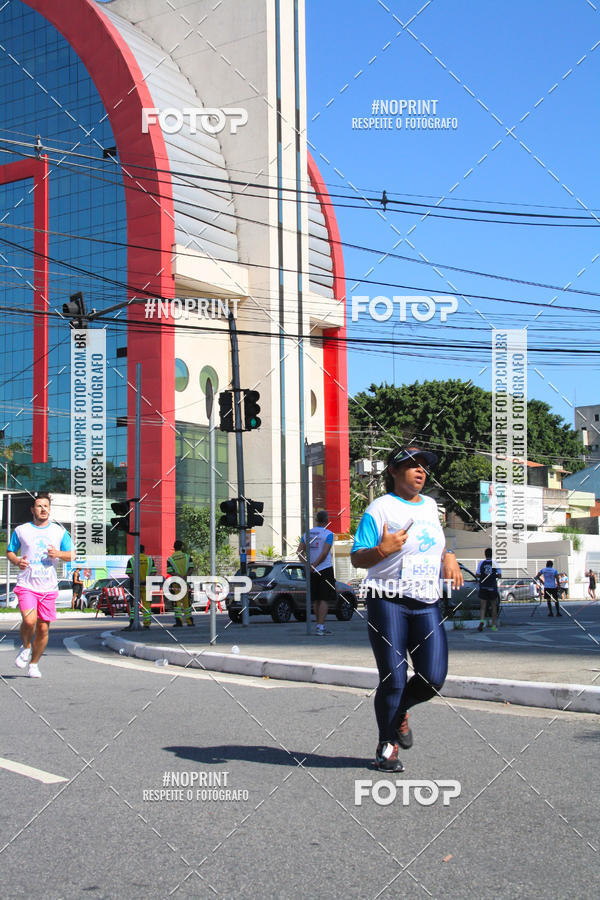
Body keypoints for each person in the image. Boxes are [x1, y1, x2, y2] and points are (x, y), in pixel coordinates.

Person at [351, 446, 463, 772]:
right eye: (412, 466)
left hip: (426, 601)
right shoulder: (380, 509)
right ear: (394, 472)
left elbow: (439, 542)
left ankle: (399, 713)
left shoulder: (430, 506)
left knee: (433, 677)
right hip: (387, 600)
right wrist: (381, 550)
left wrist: (450, 556)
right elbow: (358, 557)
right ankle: (386, 746)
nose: (420, 471)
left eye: (424, 467)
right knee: (394, 678)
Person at [7, 493, 75, 678]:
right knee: (29, 621)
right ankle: (26, 647)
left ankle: (34, 664)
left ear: (50, 509)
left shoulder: (59, 532)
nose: (43, 509)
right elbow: (10, 551)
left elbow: (72, 555)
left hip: (48, 587)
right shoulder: (21, 530)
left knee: (44, 628)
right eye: (39, 506)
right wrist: (17, 561)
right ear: (32, 510)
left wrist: (58, 554)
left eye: (46, 506)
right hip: (27, 584)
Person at [298, 509, 336, 636]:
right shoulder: (328, 534)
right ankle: (320, 626)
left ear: (316, 520)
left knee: (316, 599)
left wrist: (308, 565)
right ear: (326, 521)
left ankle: (318, 625)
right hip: (324, 569)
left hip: (312, 571)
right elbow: (325, 553)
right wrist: (315, 565)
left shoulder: (307, 533)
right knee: (324, 599)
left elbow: (299, 552)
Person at [126, 545, 156, 628]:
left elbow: (129, 573)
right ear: (144, 550)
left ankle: (133, 621)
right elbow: (153, 572)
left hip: (136, 586)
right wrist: (146, 580)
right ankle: (147, 624)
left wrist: (137, 581)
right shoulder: (150, 560)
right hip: (147, 585)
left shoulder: (132, 560)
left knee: (134, 604)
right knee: (147, 605)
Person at [167, 540, 194, 627]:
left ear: (174, 548)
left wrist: (178, 575)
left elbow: (170, 571)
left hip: (176, 583)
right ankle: (189, 622)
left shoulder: (170, 559)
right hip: (185, 582)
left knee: (177, 603)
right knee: (187, 603)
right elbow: (191, 568)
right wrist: (185, 576)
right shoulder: (187, 557)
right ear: (182, 547)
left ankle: (179, 621)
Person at [476, 549, 501, 631]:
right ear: (492, 554)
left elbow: (477, 574)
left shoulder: (481, 563)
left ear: (485, 554)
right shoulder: (495, 563)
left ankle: (482, 621)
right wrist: (493, 576)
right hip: (492, 586)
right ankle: (493, 626)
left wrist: (484, 575)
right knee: (494, 606)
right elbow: (499, 575)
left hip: (483, 586)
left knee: (483, 606)